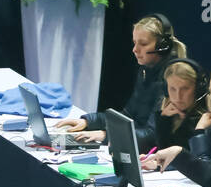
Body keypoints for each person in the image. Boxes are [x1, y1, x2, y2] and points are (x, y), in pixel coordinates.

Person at [54, 13, 186, 151]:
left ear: (163, 46)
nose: (135, 49)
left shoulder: (173, 81)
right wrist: (88, 121)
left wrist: (106, 135)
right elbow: (128, 116)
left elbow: (152, 136)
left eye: (143, 44)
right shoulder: (146, 70)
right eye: (135, 42)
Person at [152, 59, 208, 151]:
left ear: (198, 89)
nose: (178, 96)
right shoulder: (167, 114)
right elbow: (164, 157)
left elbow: (181, 159)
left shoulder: (204, 121)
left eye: (185, 89)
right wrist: (164, 120)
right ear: (166, 90)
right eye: (172, 89)